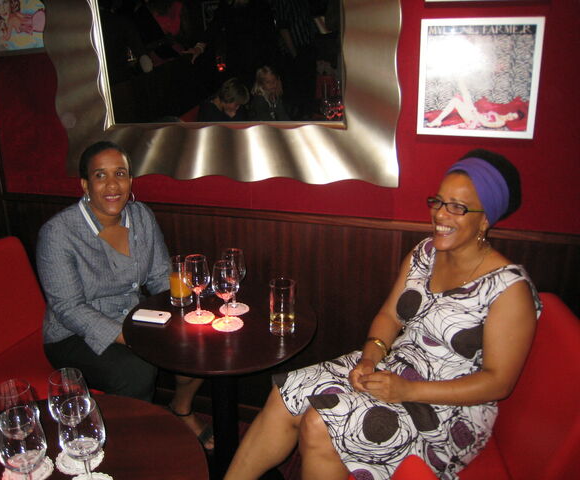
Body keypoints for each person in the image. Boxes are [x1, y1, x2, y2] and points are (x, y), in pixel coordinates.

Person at [224, 149, 542, 480]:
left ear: (485, 219)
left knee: (320, 423)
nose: (440, 214)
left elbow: (498, 382)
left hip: (449, 412)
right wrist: (370, 358)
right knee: (287, 391)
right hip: (396, 369)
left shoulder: (508, 288)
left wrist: (408, 391)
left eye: (457, 207)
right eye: (438, 202)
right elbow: (390, 316)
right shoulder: (425, 253)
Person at [36, 141, 213, 451]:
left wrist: (189, 309)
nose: (112, 185)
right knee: (135, 371)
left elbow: (159, 276)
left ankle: (181, 409)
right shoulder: (58, 233)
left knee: (200, 339)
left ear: (130, 180)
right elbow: (69, 308)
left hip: (134, 318)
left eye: (120, 173)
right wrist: (129, 336)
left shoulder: (141, 215)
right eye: (100, 175)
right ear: (85, 184)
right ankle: (135, 445)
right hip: (72, 335)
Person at [426, 79, 525, 130]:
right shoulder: (499, 115)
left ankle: (438, 120)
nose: (510, 116)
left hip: (473, 121)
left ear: (512, 120)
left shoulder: (501, 122)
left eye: (513, 117)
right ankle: (460, 78)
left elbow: (485, 123)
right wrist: (475, 111)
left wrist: (475, 112)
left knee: (457, 100)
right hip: (474, 114)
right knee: (465, 95)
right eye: (512, 114)